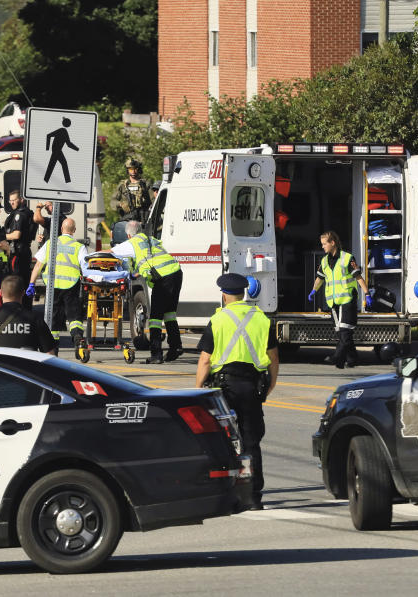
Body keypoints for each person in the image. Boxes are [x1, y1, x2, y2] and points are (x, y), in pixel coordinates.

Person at [195, 273, 279, 511]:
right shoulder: (262, 319)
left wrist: (199, 388)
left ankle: (226, 494)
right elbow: (273, 358)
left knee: (222, 441)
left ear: (224, 295)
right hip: (251, 386)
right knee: (251, 442)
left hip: (223, 389)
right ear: (244, 293)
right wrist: (269, 386)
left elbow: (205, 360)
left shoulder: (218, 320)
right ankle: (253, 497)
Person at [110, 220, 182, 364]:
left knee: (155, 318)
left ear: (129, 235)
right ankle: (175, 347)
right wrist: (135, 275)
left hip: (163, 278)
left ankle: (156, 354)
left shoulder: (132, 243)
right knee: (169, 314)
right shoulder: (151, 239)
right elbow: (151, 260)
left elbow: (111, 252)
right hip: (176, 272)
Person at [308, 230, 371, 369]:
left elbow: (358, 277)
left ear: (332, 243)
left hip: (347, 299)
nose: (322, 247)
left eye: (324, 244)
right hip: (333, 302)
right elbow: (320, 278)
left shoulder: (347, 258)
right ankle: (352, 359)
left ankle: (337, 358)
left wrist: (367, 293)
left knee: (346, 331)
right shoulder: (324, 261)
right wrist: (313, 290)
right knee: (341, 332)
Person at [26, 217, 87, 347]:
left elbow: (38, 266)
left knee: (53, 316)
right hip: (71, 285)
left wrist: (31, 283)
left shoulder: (50, 244)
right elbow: (85, 267)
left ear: (61, 229)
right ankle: (77, 336)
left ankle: (53, 345)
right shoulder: (79, 247)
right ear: (74, 230)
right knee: (74, 314)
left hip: (52, 285)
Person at [0, 275, 58, 354]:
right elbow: (50, 353)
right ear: (23, 293)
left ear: (0, 292)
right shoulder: (35, 319)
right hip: (25, 369)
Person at [3, 190, 35, 307]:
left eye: (14, 200)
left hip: (17, 253)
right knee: (24, 281)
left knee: (15, 282)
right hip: (24, 251)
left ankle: (17, 308)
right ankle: (25, 308)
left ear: (21, 200)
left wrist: (1, 236)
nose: (11, 203)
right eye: (10, 201)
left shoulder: (19, 215)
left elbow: (16, 235)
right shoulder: (28, 213)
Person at [110, 158, 152, 244]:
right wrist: (121, 204)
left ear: (138, 169)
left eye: (135, 169)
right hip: (127, 221)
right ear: (127, 170)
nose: (133, 171)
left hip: (143, 220)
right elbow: (112, 202)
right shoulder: (123, 185)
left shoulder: (145, 183)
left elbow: (153, 201)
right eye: (130, 169)